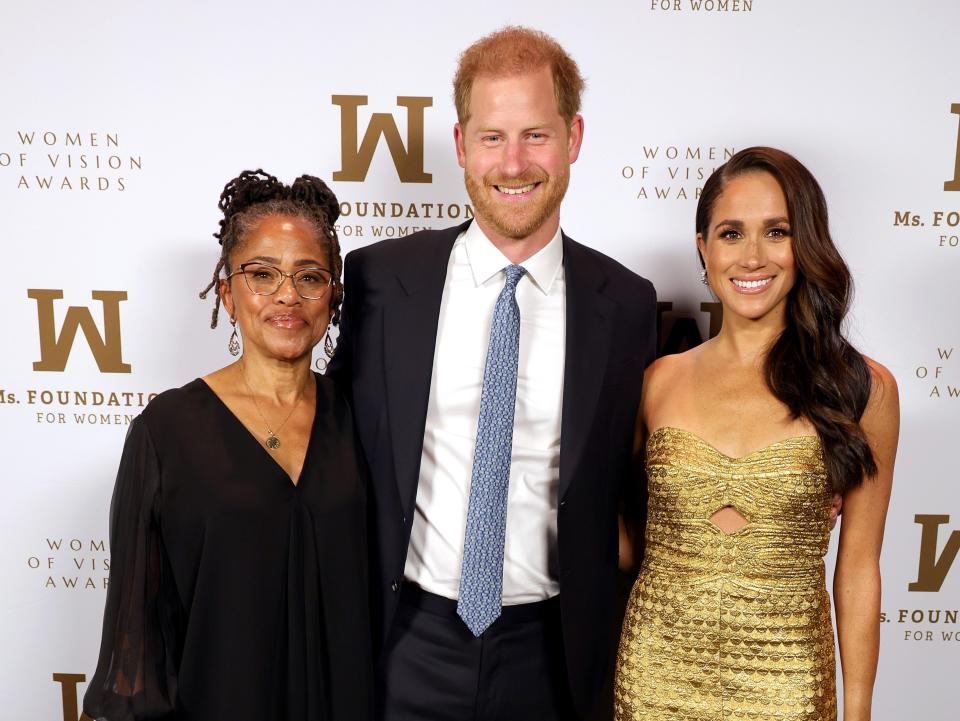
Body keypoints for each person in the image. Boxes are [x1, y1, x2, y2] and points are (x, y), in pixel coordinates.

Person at [327, 26, 657, 721]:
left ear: (574, 137)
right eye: (492, 137)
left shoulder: (626, 305)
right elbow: (319, 437)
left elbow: (646, 479)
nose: (513, 162)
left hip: (556, 655)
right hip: (405, 641)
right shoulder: (381, 281)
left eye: (536, 134)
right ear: (459, 145)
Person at [614, 147, 899, 721]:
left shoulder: (862, 388)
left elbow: (860, 568)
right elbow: (622, 540)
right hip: (655, 677)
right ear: (703, 248)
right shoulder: (657, 381)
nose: (752, 257)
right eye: (730, 233)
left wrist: (859, 711)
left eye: (776, 232)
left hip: (789, 680)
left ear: (806, 244)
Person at [83, 170, 373, 721]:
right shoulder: (165, 431)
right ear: (227, 292)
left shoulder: (364, 419)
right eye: (262, 274)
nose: (287, 294)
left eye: (310, 277)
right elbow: (135, 639)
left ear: (332, 297)